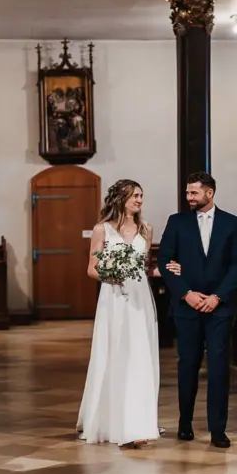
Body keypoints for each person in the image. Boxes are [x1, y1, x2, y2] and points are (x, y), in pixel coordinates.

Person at [157, 172, 237, 449]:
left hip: (219, 308)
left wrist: (217, 296)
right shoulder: (177, 222)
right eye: (187, 193)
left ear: (209, 193)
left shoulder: (232, 223)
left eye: (193, 193)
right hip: (187, 307)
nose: (189, 197)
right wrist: (186, 293)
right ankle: (185, 423)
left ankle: (218, 429)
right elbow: (165, 260)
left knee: (219, 368)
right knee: (188, 366)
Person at [77, 179, 161, 446]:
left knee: (140, 355)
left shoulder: (146, 229)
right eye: (135, 195)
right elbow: (91, 269)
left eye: (141, 195)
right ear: (121, 198)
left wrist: (161, 271)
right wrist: (110, 274)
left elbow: (145, 267)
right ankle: (110, 421)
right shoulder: (102, 229)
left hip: (139, 299)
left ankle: (139, 423)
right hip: (113, 298)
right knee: (114, 353)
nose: (139, 200)